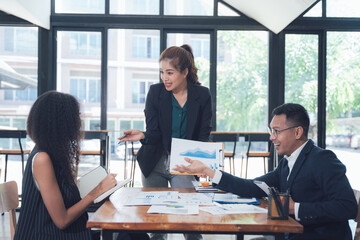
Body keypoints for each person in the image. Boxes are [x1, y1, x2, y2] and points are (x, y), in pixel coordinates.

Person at [173, 103, 358, 240]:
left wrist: (296, 208)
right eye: (271, 131)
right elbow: (252, 187)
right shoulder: (286, 164)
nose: (272, 137)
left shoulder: (323, 159)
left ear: (297, 132)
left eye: (277, 131)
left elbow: (348, 207)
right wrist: (209, 171)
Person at [14, 91, 148, 240]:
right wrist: (97, 191)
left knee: (136, 235)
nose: (79, 120)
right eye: (76, 115)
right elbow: (62, 220)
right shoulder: (42, 159)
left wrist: (98, 190)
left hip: (64, 233)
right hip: (48, 235)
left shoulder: (52, 153)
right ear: (61, 122)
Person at [119, 44, 212, 240]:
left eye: (170, 72)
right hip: (154, 161)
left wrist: (204, 164)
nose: (164, 78)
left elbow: (204, 134)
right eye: (162, 72)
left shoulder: (202, 95)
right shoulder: (155, 92)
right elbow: (154, 132)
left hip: (184, 164)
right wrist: (143, 135)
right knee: (156, 223)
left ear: (185, 72)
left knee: (191, 220)